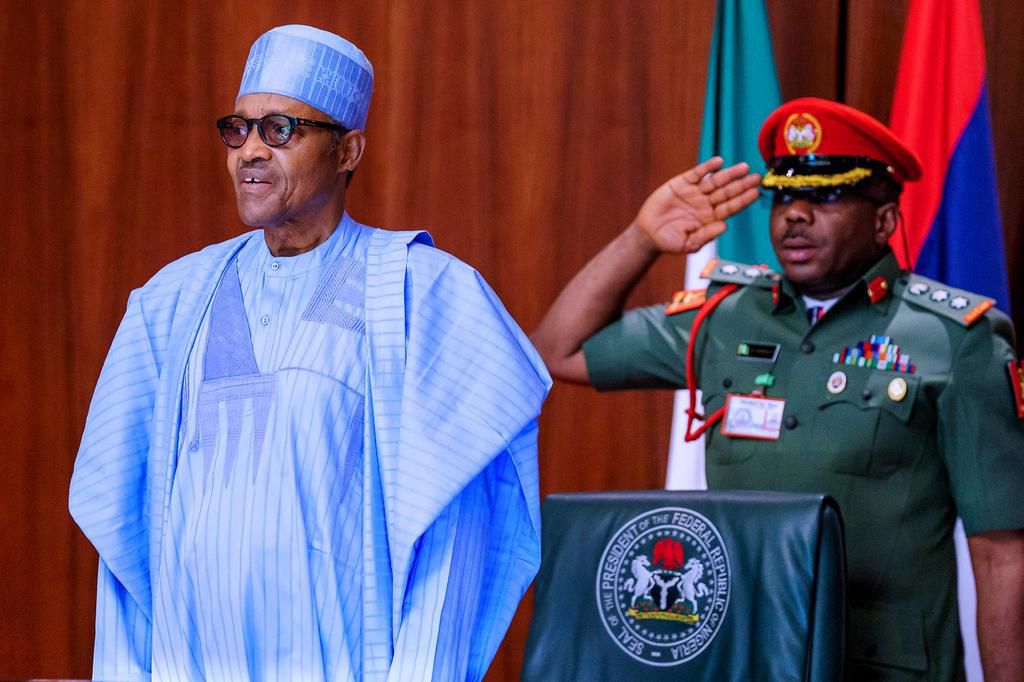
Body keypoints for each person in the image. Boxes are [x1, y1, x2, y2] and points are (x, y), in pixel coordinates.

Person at [69, 24, 550, 681]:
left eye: (281, 130)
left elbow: (451, 542)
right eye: (238, 130)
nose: (250, 151)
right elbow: (123, 534)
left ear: (347, 150)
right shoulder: (172, 300)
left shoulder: (422, 295)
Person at [532, 98, 1024, 680]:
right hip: (742, 655)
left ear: (885, 221)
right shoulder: (724, 317)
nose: (795, 215)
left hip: (880, 667)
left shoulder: (954, 339)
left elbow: (1000, 552)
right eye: (785, 197)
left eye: (826, 197)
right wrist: (641, 239)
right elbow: (557, 350)